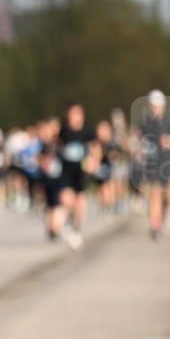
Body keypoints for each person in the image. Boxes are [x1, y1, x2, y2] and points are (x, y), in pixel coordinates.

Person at [135, 90, 170, 240]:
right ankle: (155, 226)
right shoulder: (145, 124)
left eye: (158, 106)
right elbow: (136, 139)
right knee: (155, 194)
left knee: (166, 195)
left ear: (163, 106)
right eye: (153, 105)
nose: (155, 108)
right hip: (153, 164)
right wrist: (138, 150)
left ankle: (166, 213)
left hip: (167, 163)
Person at [57, 104, 94, 250]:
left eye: (78, 114)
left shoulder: (87, 131)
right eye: (73, 114)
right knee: (67, 200)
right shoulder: (63, 130)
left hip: (81, 172)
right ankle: (68, 222)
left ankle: (77, 229)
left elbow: (94, 147)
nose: (75, 118)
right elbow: (56, 145)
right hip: (66, 171)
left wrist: (93, 161)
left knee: (80, 202)